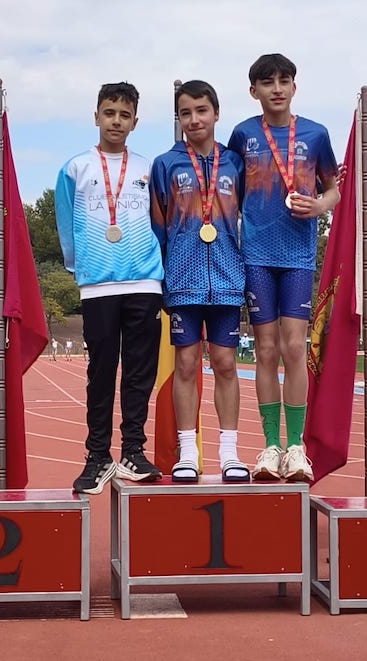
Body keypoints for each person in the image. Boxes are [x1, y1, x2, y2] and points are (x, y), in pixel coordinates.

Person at [227, 53, 340, 482]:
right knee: (265, 349)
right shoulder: (243, 134)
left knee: (294, 348)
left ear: (295, 86)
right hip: (255, 254)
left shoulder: (316, 134)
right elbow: (227, 190)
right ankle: (270, 446)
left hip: (297, 256)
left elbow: (334, 190)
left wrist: (319, 206)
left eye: (284, 80)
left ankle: (295, 448)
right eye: (267, 82)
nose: (276, 89)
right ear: (253, 90)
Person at [55, 81, 164, 494]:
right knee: (100, 373)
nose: (116, 121)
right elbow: (66, 223)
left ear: (135, 121)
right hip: (98, 285)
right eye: (109, 113)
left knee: (139, 373)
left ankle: (133, 451)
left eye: (124, 115)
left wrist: (158, 270)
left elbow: (160, 221)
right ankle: (98, 455)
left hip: (145, 281)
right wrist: (80, 266)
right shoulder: (75, 168)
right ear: (96, 116)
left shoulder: (148, 169)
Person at [150, 79, 248, 483]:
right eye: (185, 113)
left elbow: (254, 214)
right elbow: (158, 227)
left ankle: (230, 453)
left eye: (201, 110)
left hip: (227, 278)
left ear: (216, 113)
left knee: (225, 363)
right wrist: (161, 276)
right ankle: (187, 451)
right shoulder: (165, 165)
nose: (194, 119)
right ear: (178, 118)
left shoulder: (235, 164)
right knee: (187, 364)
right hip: (182, 281)